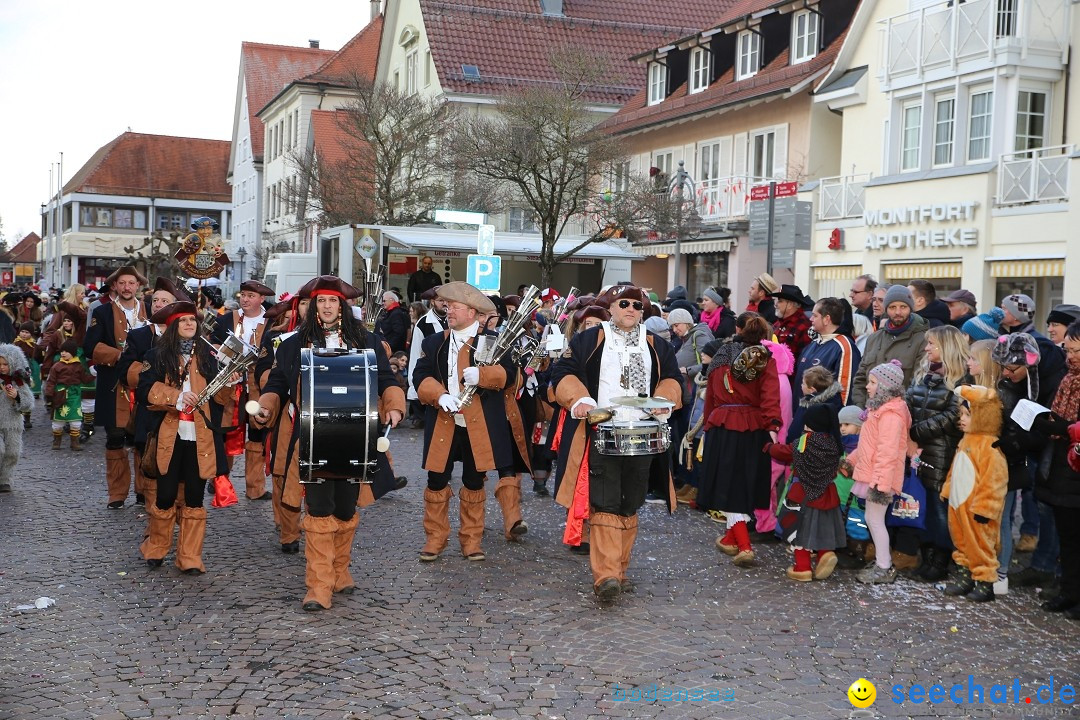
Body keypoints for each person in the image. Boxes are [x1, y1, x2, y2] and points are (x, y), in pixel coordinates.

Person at [253, 276, 404, 610]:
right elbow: (278, 381)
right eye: (320, 301)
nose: (326, 306)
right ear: (312, 306)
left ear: (343, 305)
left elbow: (385, 379)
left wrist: (394, 406)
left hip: (355, 438)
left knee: (346, 507)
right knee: (319, 508)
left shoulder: (366, 340)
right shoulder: (293, 344)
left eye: (333, 301)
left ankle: (340, 572)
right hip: (311, 438)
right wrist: (266, 406)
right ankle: (318, 586)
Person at [550, 285, 681, 599]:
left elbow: (672, 378)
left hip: (644, 433)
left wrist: (665, 400)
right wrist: (579, 399)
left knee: (631, 502)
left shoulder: (656, 344)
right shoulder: (588, 340)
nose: (632, 310)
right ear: (610, 307)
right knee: (605, 501)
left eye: (638, 305)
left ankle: (619, 572)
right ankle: (606, 576)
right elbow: (563, 372)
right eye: (625, 304)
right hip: (602, 431)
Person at [413, 281, 518, 564]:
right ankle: (435, 539)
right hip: (444, 420)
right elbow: (419, 375)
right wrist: (439, 395)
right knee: (436, 480)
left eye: (455, 307)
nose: (449, 311)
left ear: (472, 311)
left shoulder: (493, 340)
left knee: (474, 481)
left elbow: (509, 375)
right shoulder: (434, 341)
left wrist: (483, 377)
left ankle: (471, 541)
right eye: (447, 307)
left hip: (478, 424)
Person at [137, 301, 234, 574]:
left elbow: (220, 399)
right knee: (165, 495)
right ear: (172, 326)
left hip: (200, 437)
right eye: (183, 320)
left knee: (194, 496)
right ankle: (156, 548)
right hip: (170, 433)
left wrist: (230, 383)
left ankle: (190, 557)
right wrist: (176, 397)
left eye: (193, 320)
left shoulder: (209, 355)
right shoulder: (156, 355)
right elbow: (145, 389)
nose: (190, 324)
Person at [703, 315, 782, 568]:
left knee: (730, 487)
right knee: (743, 486)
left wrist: (708, 425)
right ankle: (733, 539)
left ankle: (742, 545)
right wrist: (773, 426)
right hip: (753, 427)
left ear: (738, 330)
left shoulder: (720, 355)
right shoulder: (765, 358)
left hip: (722, 425)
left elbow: (711, 398)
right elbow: (771, 395)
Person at [903, 325, 971, 580]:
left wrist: (915, 432)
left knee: (939, 509)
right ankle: (927, 555)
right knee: (922, 506)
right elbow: (908, 401)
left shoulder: (962, 379)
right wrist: (906, 428)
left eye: (932, 344)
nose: (927, 348)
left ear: (946, 347)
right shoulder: (924, 373)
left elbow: (953, 415)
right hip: (919, 451)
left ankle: (941, 561)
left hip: (942, 452)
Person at [118, 277, 189, 510]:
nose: (158, 304)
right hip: (150, 408)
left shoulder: (188, 336)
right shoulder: (139, 335)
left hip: (181, 413)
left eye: (164, 300)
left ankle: (175, 506)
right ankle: (149, 504)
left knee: (178, 460)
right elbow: (126, 371)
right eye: (155, 300)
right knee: (147, 453)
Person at [84, 266, 148, 509]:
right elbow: (90, 346)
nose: (127, 288)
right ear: (115, 286)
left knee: (142, 439)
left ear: (138, 286)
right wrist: (120, 355)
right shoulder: (103, 312)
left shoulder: (150, 309)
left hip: (143, 385)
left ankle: (143, 491)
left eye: (131, 283)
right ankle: (117, 494)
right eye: (122, 283)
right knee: (115, 438)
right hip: (114, 385)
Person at [844, 360, 912, 584]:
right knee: (871, 518)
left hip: (880, 477)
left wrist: (881, 485)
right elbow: (868, 444)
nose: (867, 386)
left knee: (874, 519)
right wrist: (851, 460)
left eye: (872, 382)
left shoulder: (891, 414)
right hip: (872, 473)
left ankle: (884, 565)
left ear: (884, 386)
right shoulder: (878, 410)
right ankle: (883, 562)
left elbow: (887, 452)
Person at [939, 385, 1008, 602]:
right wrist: (949, 488)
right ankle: (965, 574)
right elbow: (956, 468)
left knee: (980, 544)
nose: (962, 419)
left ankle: (985, 580)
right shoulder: (966, 440)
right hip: (959, 503)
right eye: (961, 414)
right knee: (960, 540)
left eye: (968, 415)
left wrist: (986, 507)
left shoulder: (989, 446)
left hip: (976, 508)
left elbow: (994, 481)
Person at [212, 279, 274, 501]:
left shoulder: (272, 321)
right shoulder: (227, 318)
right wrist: (222, 351)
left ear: (261, 299)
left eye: (251, 296)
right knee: (226, 431)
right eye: (243, 295)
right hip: (231, 384)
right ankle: (220, 478)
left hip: (258, 385)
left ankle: (255, 488)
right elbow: (213, 344)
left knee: (257, 434)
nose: (246, 300)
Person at [1036, 321, 1080, 617]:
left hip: (1075, 464)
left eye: (1076, 350)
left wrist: (1063, 428)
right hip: (1061, 464)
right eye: (1068, 348)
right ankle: (1069, 591)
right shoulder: (1068, 378)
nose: (1070, 355)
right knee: (1067, 534)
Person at [783, 405, 847, 582]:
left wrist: (768, 448)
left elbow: (787, 452)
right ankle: (825, 554)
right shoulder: (833, 443)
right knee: (823, 529)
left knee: (800, 530)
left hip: (803, 494)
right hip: (827, 494)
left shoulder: (805, 441)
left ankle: (802, 568)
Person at [851, 285, 927, 408]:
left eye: (903, 307)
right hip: (869, 414)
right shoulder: (873, 339)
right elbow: (860, 379)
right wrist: (861, 408)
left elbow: (918, 384)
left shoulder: (923, 339)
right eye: (892, 307)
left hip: (898, 415)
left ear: (910, 308)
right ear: (886, 309)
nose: (898, 312)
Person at [793, 297, 861, 408]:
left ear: (826, 319)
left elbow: (845, 390)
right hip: (801, 414)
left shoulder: (844, 346)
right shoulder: (812, 344)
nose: (811, 319)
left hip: (822, 418)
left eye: (815, 316)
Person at [406, 286, 446, 428]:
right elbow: (416, 351)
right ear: (433, 302)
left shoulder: (452, 319)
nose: (444, 303)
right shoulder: (423, 323)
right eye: (440, 300)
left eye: (446, 300)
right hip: (430, 366)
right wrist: (413, 379)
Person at [44, 339, 92, 451]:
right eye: (62, 351)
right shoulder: (57, 366)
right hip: (60, 394)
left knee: (75, 420)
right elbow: (51, 381)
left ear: (73, 353)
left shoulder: (79, 366)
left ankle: (74, 442)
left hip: (74, 395)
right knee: (58, 421)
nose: (63, 353)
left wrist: (93, 373)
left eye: (66, 351)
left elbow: (85, 379)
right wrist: (49, 395)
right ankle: (57, 441)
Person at [0, 343, 35, 492]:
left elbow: (29, 404)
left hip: (13, 422)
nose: (2, 367)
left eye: (5, 364)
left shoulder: (18, 382)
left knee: (12, 452)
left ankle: (5, 479)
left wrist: (17, 396)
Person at [770, 285, 814, 365]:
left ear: (790, 305)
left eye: (780, 301)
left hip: (791, 375)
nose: (776, 304)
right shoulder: (777, 324)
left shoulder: (805, 326)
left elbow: (805, 359)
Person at [14, 323, 40, 428]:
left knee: (28, 393)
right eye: (22, 332)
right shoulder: (15, 344)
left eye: (27, 332)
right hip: (17, 372)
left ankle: (27, 418)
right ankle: (19, 417)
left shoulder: (34, 346)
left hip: (30, 372)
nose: (24, 334)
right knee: (18, 394)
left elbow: (39, 357)